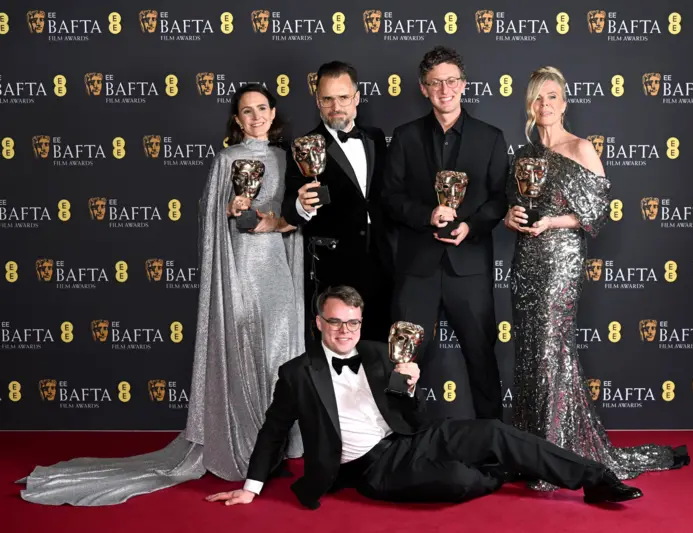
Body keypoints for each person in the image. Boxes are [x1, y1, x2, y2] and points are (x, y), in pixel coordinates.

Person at [18, 84, 305, 505]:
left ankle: (274, 447)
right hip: (240, 268)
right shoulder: (225, 160)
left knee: (277, 353)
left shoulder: (287, 158)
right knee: (243, 349)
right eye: (247, 111)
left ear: (273, 112)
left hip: (277, 268)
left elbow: (295, 216)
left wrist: (277, 220)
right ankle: (244, 446)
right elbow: (213, 219)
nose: (256, 116)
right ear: (237, 119)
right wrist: (230, 210)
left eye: (262, 108)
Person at [206, 285, 644, 509]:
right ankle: (504, 470)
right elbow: (273, 430)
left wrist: (409, 386)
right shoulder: (297, 373)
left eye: (353, 322)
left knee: (494, 430)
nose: (345, 331)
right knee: (457, 482)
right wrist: (251, 488)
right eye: (336, 322)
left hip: (412, 437)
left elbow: (409, 412)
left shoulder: (379, 352)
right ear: (319, 322)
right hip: (371, 468)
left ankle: (595, 480)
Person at [503, 66, 689, 491]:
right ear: (529, 104)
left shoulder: (581, 148)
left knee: (551, 349)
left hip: (561, 260)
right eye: (537, 97)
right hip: (526, 260)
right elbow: (515, 206)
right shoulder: (523, 155)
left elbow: (597, 214)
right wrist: (510, 217)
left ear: (564, 102)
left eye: (552, 96)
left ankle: (555, 456)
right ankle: (532, 451)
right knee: (530, 352)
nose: (545, 104)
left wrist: (553, 221)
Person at [381, 46, 506, 420]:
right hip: (417, 268)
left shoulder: (491, 137)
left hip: (469, 268)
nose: (444, 89)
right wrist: (427, 215)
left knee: (482, 360)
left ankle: (491, 442)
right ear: (423, 88)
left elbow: (500, 198)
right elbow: (390, 197)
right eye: (435, 83)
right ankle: (401, 439)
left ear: (464, 84)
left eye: (451, 81)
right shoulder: (405, 137)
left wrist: (470, 225)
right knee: (403, 361)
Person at [281, 61, 393, 343]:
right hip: (333, 268)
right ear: (317, 101)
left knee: (378, 351)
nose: (336, 106)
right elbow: (289, 211)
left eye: (343, 97)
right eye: (327, 99)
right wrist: (301, 205)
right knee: (334, 352)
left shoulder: (376, 138)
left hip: (380, 265)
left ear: (356, 98)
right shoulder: (303, 146)